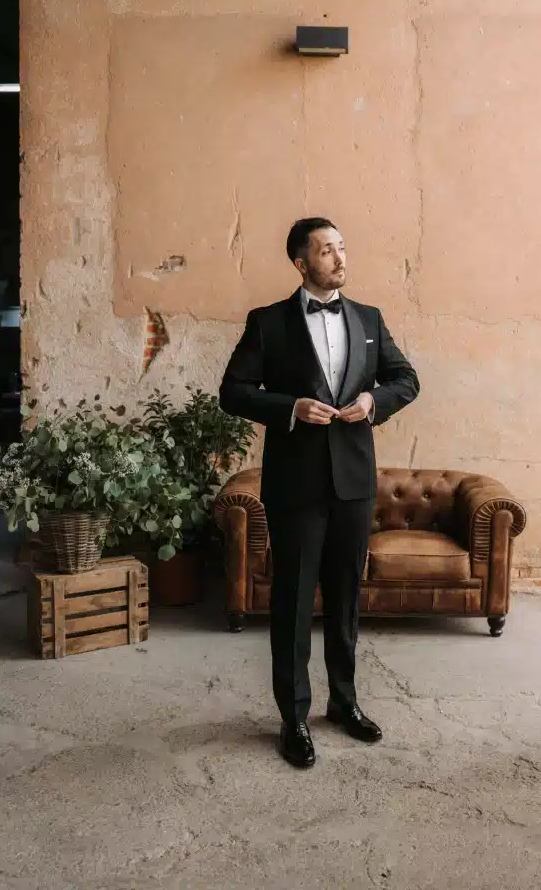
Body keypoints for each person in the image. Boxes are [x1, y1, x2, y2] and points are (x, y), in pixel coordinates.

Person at [219, 218, 419, 767]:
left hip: (355, 483)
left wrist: (374, 401)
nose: (338, 258)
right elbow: (232, 391)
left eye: (342, 248)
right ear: (301, 263)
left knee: (346, 601)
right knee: (292, 602)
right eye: (326, 251)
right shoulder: (269, 323)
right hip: (296, 486)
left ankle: (345, 704)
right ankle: (293, 719)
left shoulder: (369, 319)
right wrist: (288, 408)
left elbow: (407, 379)